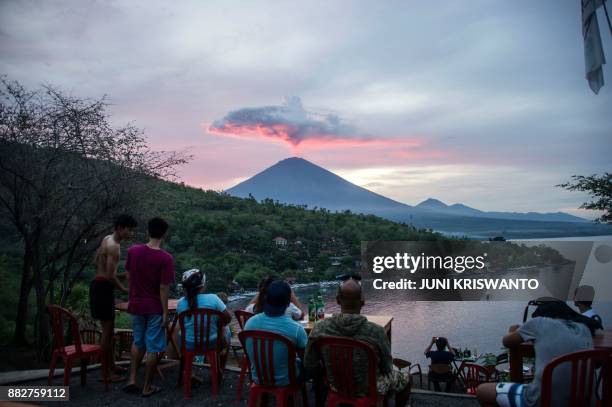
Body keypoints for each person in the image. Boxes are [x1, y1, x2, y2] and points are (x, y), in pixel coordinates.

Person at [304, 279, 411, 407]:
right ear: (363, 301)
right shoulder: (376, 332)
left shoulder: (320, 328)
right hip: (369, 388)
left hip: (335, 384)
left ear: (338, 300)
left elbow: (309, 364)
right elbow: (387, 367)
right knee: (407, 379)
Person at [476, 300, 601, 407]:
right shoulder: (584, 329)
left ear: (541, 315)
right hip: (583, 401)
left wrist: (514, 330)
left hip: (541, 401)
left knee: (482, 390)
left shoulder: (539, 322)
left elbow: (507, 341)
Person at [123, 217, 175, 397]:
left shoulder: (133, 251)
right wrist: (165, 312)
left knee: (138, 342)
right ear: (164, 235)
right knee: (153, 346)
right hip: (153, 307)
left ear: (147, 232)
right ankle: (147, 387)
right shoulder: (165, 258)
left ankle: (131, 379)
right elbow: (163, 288)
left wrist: (133, 294)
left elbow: (129, 275)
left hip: (136, 304)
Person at [90, 214, 137, 384]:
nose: (131, 233)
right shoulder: (115, 247)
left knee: (108, 333)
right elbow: (109, 276)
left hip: (97, 284)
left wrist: (121, 275)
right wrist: (125, 288)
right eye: (129, 230)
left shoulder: (106, 239)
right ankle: (106, 374)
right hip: (103, 288)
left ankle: (112, 366)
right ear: (120, 228)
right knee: (107, 332)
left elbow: (97, 263)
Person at [243, 280, 308, 385]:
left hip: (258, 378)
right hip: (286, 380)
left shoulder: (250, 323)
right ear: (288, 303)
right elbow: (306, 359)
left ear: (266, 299)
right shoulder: (296, 329)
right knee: (316, 369)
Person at [175, 269, 232, 380]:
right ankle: (218, 370)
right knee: (226, 330)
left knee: (182, 332)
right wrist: (219, 324)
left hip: (188, 344)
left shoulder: (181, 303)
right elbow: (228, 318)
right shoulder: (213, 299)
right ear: (202, 286)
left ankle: (188, 372)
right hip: (212, 344)